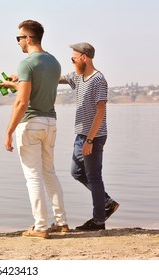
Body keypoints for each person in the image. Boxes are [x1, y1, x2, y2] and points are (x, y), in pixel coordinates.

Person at [0, 20, 69, 239]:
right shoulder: (54, 62)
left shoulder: (27, 63)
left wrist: (9, 131)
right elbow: (37, 85)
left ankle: (40, 227)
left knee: (33, 177)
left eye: (19, 38)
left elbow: (22, 102)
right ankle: (62, 222)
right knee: (49, 173)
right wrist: (17, 81)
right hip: (50, 123)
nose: (18, 42)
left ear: (29, 38)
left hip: (31, 123)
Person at [60, 42, 119, 231]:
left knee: (94, 177)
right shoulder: (78, 77)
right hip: (81, 135)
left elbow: (100, 111)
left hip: (93, 136)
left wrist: (90, 139)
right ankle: (107, 202)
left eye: (73, 58)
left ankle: (98, 221)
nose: (72, 62)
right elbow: (58, 78)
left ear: (83, 58)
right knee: (76, 172)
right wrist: (24, 77)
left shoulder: (98, 79)